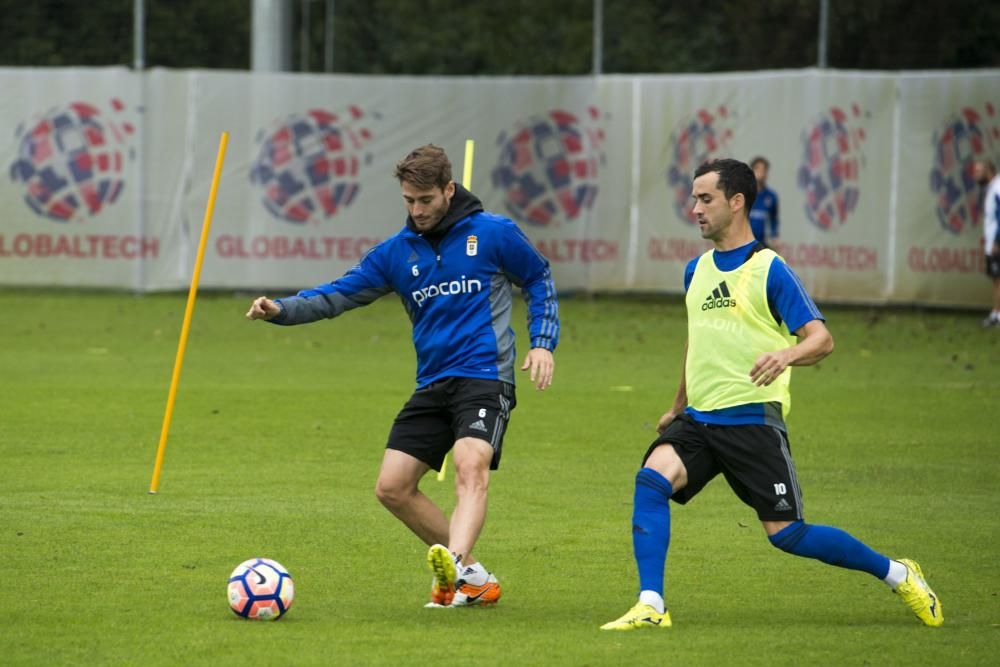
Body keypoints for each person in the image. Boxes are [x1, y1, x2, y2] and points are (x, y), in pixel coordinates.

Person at [600, 158, 942, 631]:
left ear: (736, 202)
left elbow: (821, 339)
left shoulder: (770, 269)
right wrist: (677, 405)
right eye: (694, 198)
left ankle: (898, 572)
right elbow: (695, 339)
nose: (694, 208)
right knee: (652, 480)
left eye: (705, 199)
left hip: (751, 421)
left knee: (788, 535)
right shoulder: (694, 271)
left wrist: (785, 355)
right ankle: (652, 605)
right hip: (699, 419)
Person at [246, 144, 559, 608]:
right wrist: (281, 310)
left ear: (448, 190)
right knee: (391, 488)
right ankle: (472, 576)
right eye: (409, 201)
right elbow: (337, 295)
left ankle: (452, 568)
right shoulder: (395, 253)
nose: (417, 211)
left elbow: (538, 279)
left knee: (471, 466)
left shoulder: (493, 234)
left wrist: (541, 342)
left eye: (426, 200)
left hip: (485, 376)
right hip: (433, 383)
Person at [973, 159, 1000, 327]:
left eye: (978, 171)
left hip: (997, 243)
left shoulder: (997, 187)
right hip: (992, 243)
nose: (975, 175)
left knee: (998, 279)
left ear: (988, 171)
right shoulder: (991, 188)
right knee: (996, 279)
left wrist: (998, 240)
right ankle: (996, 312)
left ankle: (998, 315)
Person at [748, 156, 779, 245]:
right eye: (758, 170)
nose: (761, 173)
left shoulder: (771, 196)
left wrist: (774, 236)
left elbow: (774, 219)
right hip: (744, 243)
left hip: (762, 244)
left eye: (764, 170)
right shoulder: (744, 195)